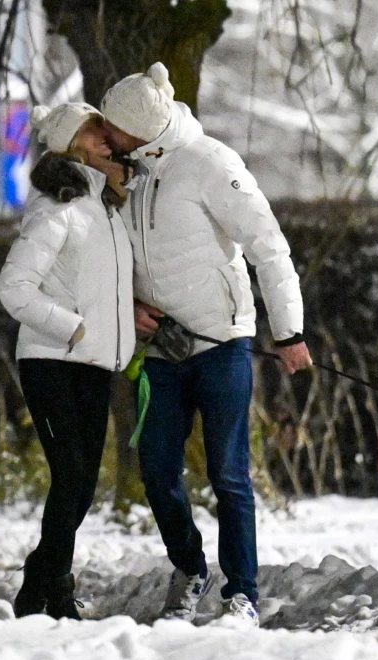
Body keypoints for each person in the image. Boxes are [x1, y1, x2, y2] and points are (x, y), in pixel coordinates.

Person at [100, 62, 312, 627]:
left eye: (113, 126)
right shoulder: (124, 174)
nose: (104, 133)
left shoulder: (210, 164)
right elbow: (110, 261)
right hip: (163, 351)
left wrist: (288, 332)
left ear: (139, 128)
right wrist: (129, 309)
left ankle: (242, 594)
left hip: (223, 344)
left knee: (229, 474)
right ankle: (191, 570)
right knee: (157, 468)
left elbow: (268, 244)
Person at [0, 103, 136, 619]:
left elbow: (102, 284)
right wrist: (72, 326)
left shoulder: (105, 207)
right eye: (94, 130)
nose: (107, 138)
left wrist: (132, 314)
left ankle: (44, 586)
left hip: (92, 362)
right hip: (51, 359)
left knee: (79, 484)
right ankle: (46, 592)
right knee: (72, 475)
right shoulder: (56, 208)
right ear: (70, 143)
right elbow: (13, 288)